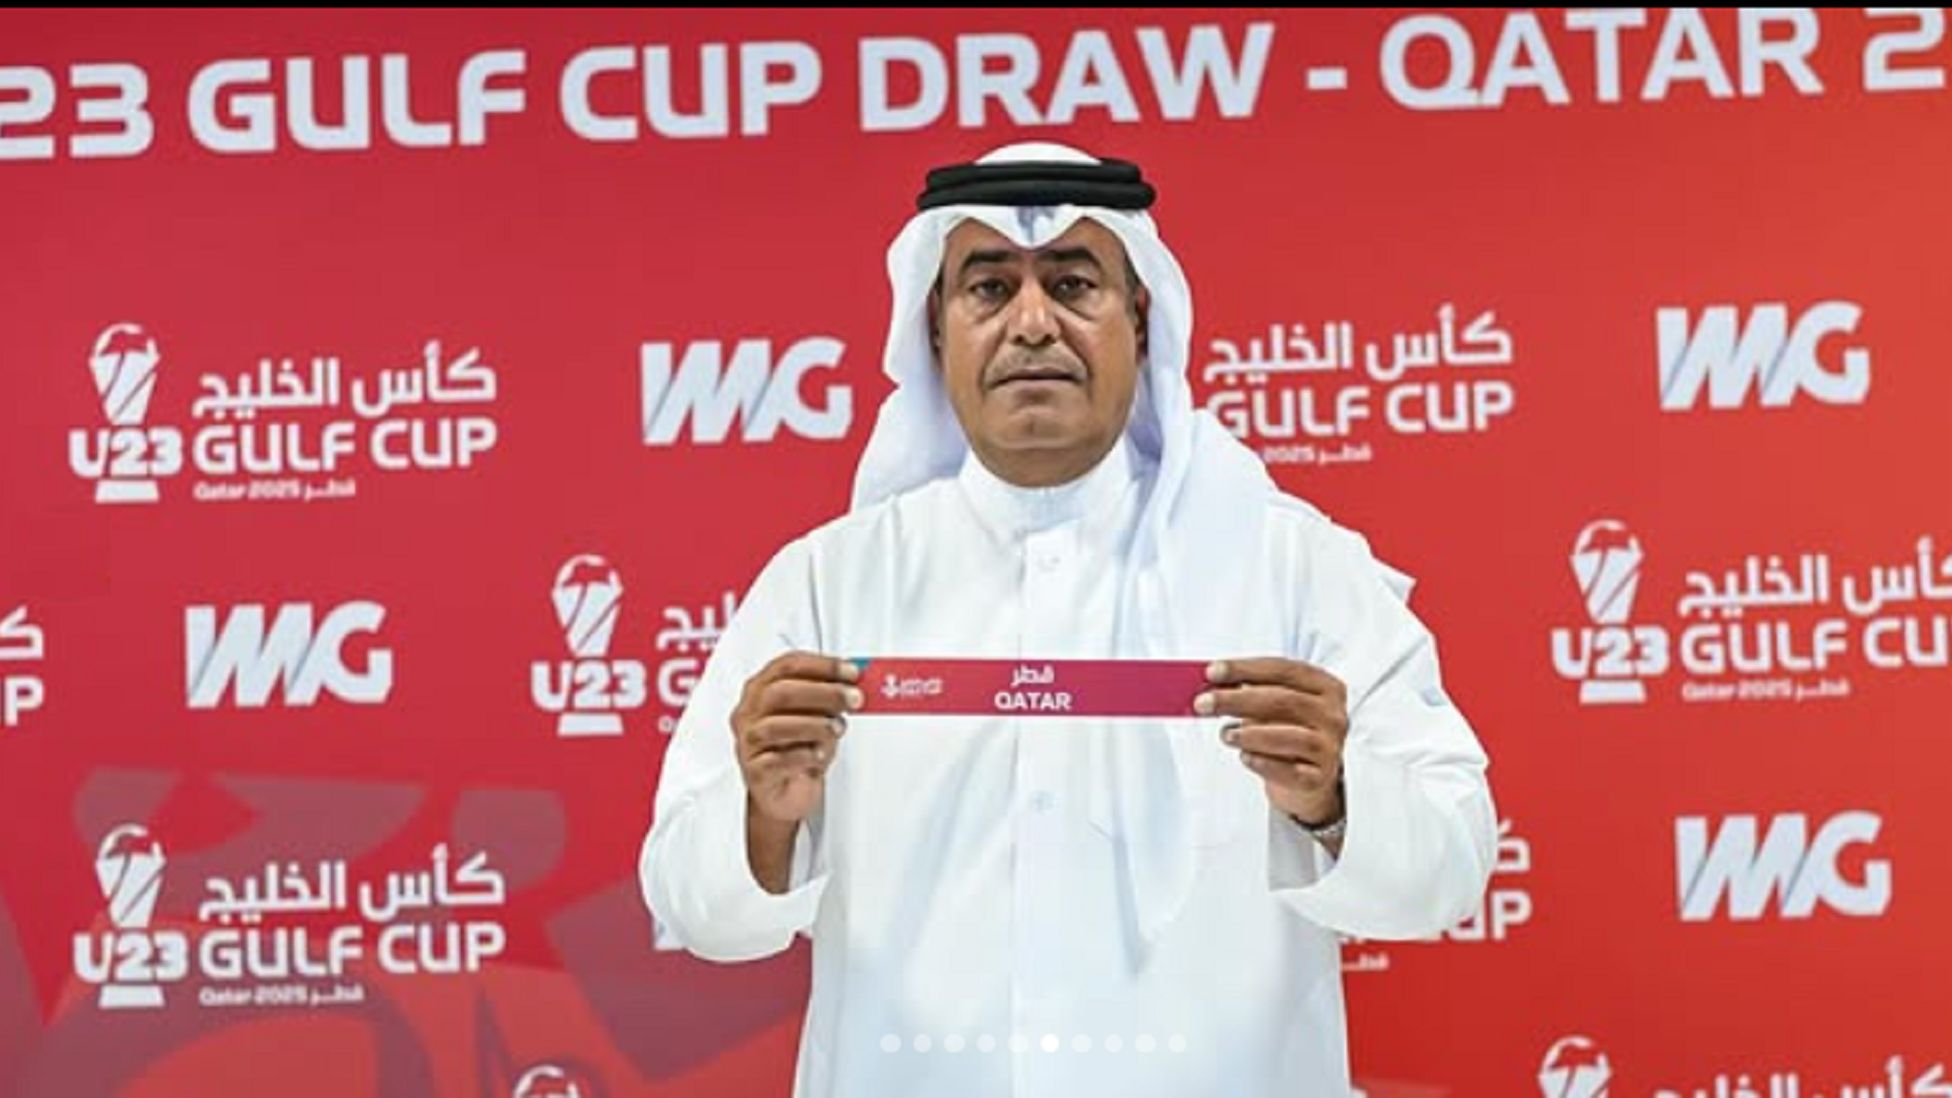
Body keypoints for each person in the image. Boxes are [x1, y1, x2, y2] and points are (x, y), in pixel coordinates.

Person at [639, 141, 1496, 1097]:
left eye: (1074, 284)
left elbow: (1451, 868)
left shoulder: (1289, 567)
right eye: (989, 288)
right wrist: (762, 817)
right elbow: (694, 908)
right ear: (936, 332)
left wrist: (1337, 797)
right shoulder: (828, 585)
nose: (1033, 323)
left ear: (1141, 321)